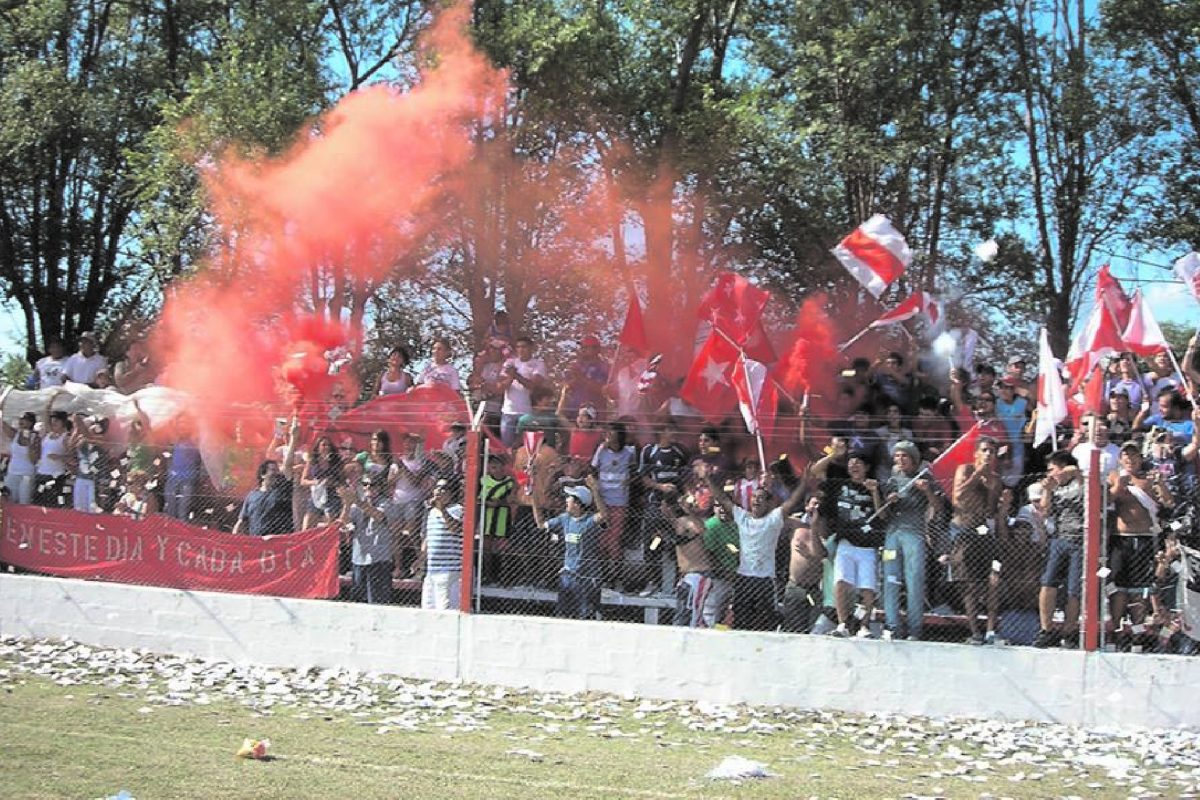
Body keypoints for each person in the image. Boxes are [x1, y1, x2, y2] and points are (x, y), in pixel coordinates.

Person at [707, 463, 807, 631]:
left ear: (769, 503)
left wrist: (804, 481)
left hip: (765, 579)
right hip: (744, 578)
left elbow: (791, 502)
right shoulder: (743, 517)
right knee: (741, 620)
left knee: (765, 623)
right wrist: (707, 478)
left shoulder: (773, 519)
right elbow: (723, 499)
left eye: (761, 498)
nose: (756, 500)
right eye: (754, 497)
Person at [1107, 441, 1173, 650]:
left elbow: (1169, 503)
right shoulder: (1114, 477)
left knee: (1140, 588)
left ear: (1140, 458)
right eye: (1126, 456)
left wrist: (1160, 485)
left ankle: (1137, 634)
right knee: (1118, 587)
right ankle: (1115, 632)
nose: (1130, 459)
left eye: (1134, 455)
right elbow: (1105, 500)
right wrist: (1119, 486)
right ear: (1120, 459)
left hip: (1145, 538)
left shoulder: (1148, 480)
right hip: (1121, 538)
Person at [948, 436, 1012, 645]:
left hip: (984, 532)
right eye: (984, 450)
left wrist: (1003, 505)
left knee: (994, 579)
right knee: (969, 585)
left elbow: (991, 510)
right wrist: (978, 474)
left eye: (992, 452)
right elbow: (959, 498)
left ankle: (991, 630)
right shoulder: (965, 470)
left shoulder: (995, 479)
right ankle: (975, 630)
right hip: (964, 531)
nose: (988, 455)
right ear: (976, 453)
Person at [820, 451, 883, 637]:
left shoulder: (876, 487)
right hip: (845, 543)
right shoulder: (840, 486)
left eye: (859, 463)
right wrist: (833, 455)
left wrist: (875, 493)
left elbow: (882, 515)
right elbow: (815, 473)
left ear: (867, 467)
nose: (854, 466)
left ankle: (864, 626)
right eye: (851, 462)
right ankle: (843, 624)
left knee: (867, 588)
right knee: (840, 583)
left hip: (867, 546)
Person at [880, 441, 939, 641]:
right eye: (897, 456)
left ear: (913, 458)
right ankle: (892, 625)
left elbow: (937, 506)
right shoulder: (892, 479)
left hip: (914, 534)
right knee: (890, 579)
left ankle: (915, 628)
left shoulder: (925, 477)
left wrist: (927, 491)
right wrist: (889, 500)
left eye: (904, 456)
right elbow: (883, 512)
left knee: (914, 580)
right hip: (893, 533)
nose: (900, 460)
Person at [531, 475, 607, 620]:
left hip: (587, 578)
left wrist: (595, 491)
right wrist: (534, 499)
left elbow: (603, 515)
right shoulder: (564, 519)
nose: (566, 500)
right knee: (562, 615)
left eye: (570, 498)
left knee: (585, 617)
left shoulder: (589, 521)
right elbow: (541, 525)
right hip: (567, 576)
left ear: (578, 504)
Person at [1034, 452, 1084, 648]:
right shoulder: (1055, 487)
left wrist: (1068, 471)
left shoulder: (1080, 481)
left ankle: (1069, 631)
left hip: (1080, 540)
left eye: (1052, 469)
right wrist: (1047, 490)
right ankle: (1046, 629)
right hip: (1060, 538)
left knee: (1074, 590)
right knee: (1047, 583)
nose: (1049, 473)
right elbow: (1045, 512)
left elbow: (1080, 476)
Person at [337, 469, 400, 604]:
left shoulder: (386, 503)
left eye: (372, 485)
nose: (368, 488)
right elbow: (343, 523)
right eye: (365, 484)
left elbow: (379, 516)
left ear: (379, 487)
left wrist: (356, 501)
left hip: (378, 559)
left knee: (377, 602)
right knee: (358, 601)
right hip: (359, 558)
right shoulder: (357, 504)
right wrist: (347, 503)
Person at [233, 418, 300, 536]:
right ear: (263, 474)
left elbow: (288, 465)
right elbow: (241, 520)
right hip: (258, 544)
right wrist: (235, 536)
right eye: (272, 470)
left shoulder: (283, 489)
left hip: (280, 543)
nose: (276, 473)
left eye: (277, 470)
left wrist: (294, 438)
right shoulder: (252, 496)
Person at [590, 420, 636, 588]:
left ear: (619, 435)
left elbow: (636, 472)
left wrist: (629, 480)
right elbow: (592, 470)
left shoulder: (629, 452)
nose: (607, 435)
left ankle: (616, 577)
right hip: (603, 502)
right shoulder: (601, 451)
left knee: (614, 540)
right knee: (602, 540)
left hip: (619, 502)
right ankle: (603, 575)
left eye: (611, 432)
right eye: (606, 432)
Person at [666, 493, 714, 627]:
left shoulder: (686, 521)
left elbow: (701, 529)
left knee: (694, 616)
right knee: (681, 615)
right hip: (685, 576)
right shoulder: (672, 524)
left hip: (698, 574)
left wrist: (689, 511)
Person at [781, 495, 826, 634]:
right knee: (793, 629)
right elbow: (777, 516)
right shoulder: (795, 524)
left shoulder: (824, 530)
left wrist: (814, 527)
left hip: (814, 589)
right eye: (814, 504)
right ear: (806, 506)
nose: (816, 507)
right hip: (795, 586)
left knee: (814, 630)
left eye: (819, 505)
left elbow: (820, 554)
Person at [421, 478, 465, 610]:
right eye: (437, 487)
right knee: (428, 607)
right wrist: (420, 559)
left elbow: (455, 529)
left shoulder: (458, 509)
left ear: (452, 493)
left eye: (443, 488)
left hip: (449, 569)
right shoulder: (431, 511)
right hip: (431, 569)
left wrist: (442, 510)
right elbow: (428, 536)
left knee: (445, 609)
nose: (438, 491)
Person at [499, 336, 548, 447]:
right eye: (518, 347)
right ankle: (509, 464)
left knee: (526, 446)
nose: (521, 349)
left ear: (531, 348)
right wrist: (510, 377)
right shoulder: (509, 362)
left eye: (524, 347)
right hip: (508, 412)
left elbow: (533, 386)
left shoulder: (538, 364)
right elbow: (500, 386)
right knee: (507, 447)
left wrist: (515, 375)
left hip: (527, 412)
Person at [479, 455, 516, 584]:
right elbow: (478, 498)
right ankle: (487, 575)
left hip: (502, 518)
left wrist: (500, 503)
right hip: (487, 518)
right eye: (491, 464)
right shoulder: (484, 480)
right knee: (486, 548)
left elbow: (513, 499)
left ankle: (502, 576)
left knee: (502, 548)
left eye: (497, 464)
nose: (494, 467)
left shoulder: (510, 482)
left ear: (503, 466)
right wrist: (486, 502)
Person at [300, 435, 344, 530]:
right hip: (316, 495)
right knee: (307, 527)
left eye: (328, 445)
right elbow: (303, 481)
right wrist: (316, 482)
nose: (326, 447)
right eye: (323, 445)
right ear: (318, 447)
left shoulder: (335, 462)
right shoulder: (312, 461)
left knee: (330, 527)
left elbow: (342, 480)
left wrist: (332, 482)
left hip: (331, 496)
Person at [34, 409, 72, 507]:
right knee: (40, 499)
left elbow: (72, 457)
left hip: (55, 476)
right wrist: (50, 401)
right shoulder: (49, 434)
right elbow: (45, 416)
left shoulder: (65, 438)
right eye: (52, 421)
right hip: (42, 474)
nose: (53, 423)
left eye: (57, 421)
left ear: (63, 422)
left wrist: (59, 457)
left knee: (54, 501)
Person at [1, 405, 39, 504]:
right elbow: (2, 423)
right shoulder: (15, 433)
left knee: (24, 502)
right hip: (12, 472)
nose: (21, 421)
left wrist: (29, 445)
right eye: (20, 418)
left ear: (31, 422)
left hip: (26, 474)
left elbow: (34, 460)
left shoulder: (35, 437)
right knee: (8, 499)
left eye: (24, 419)